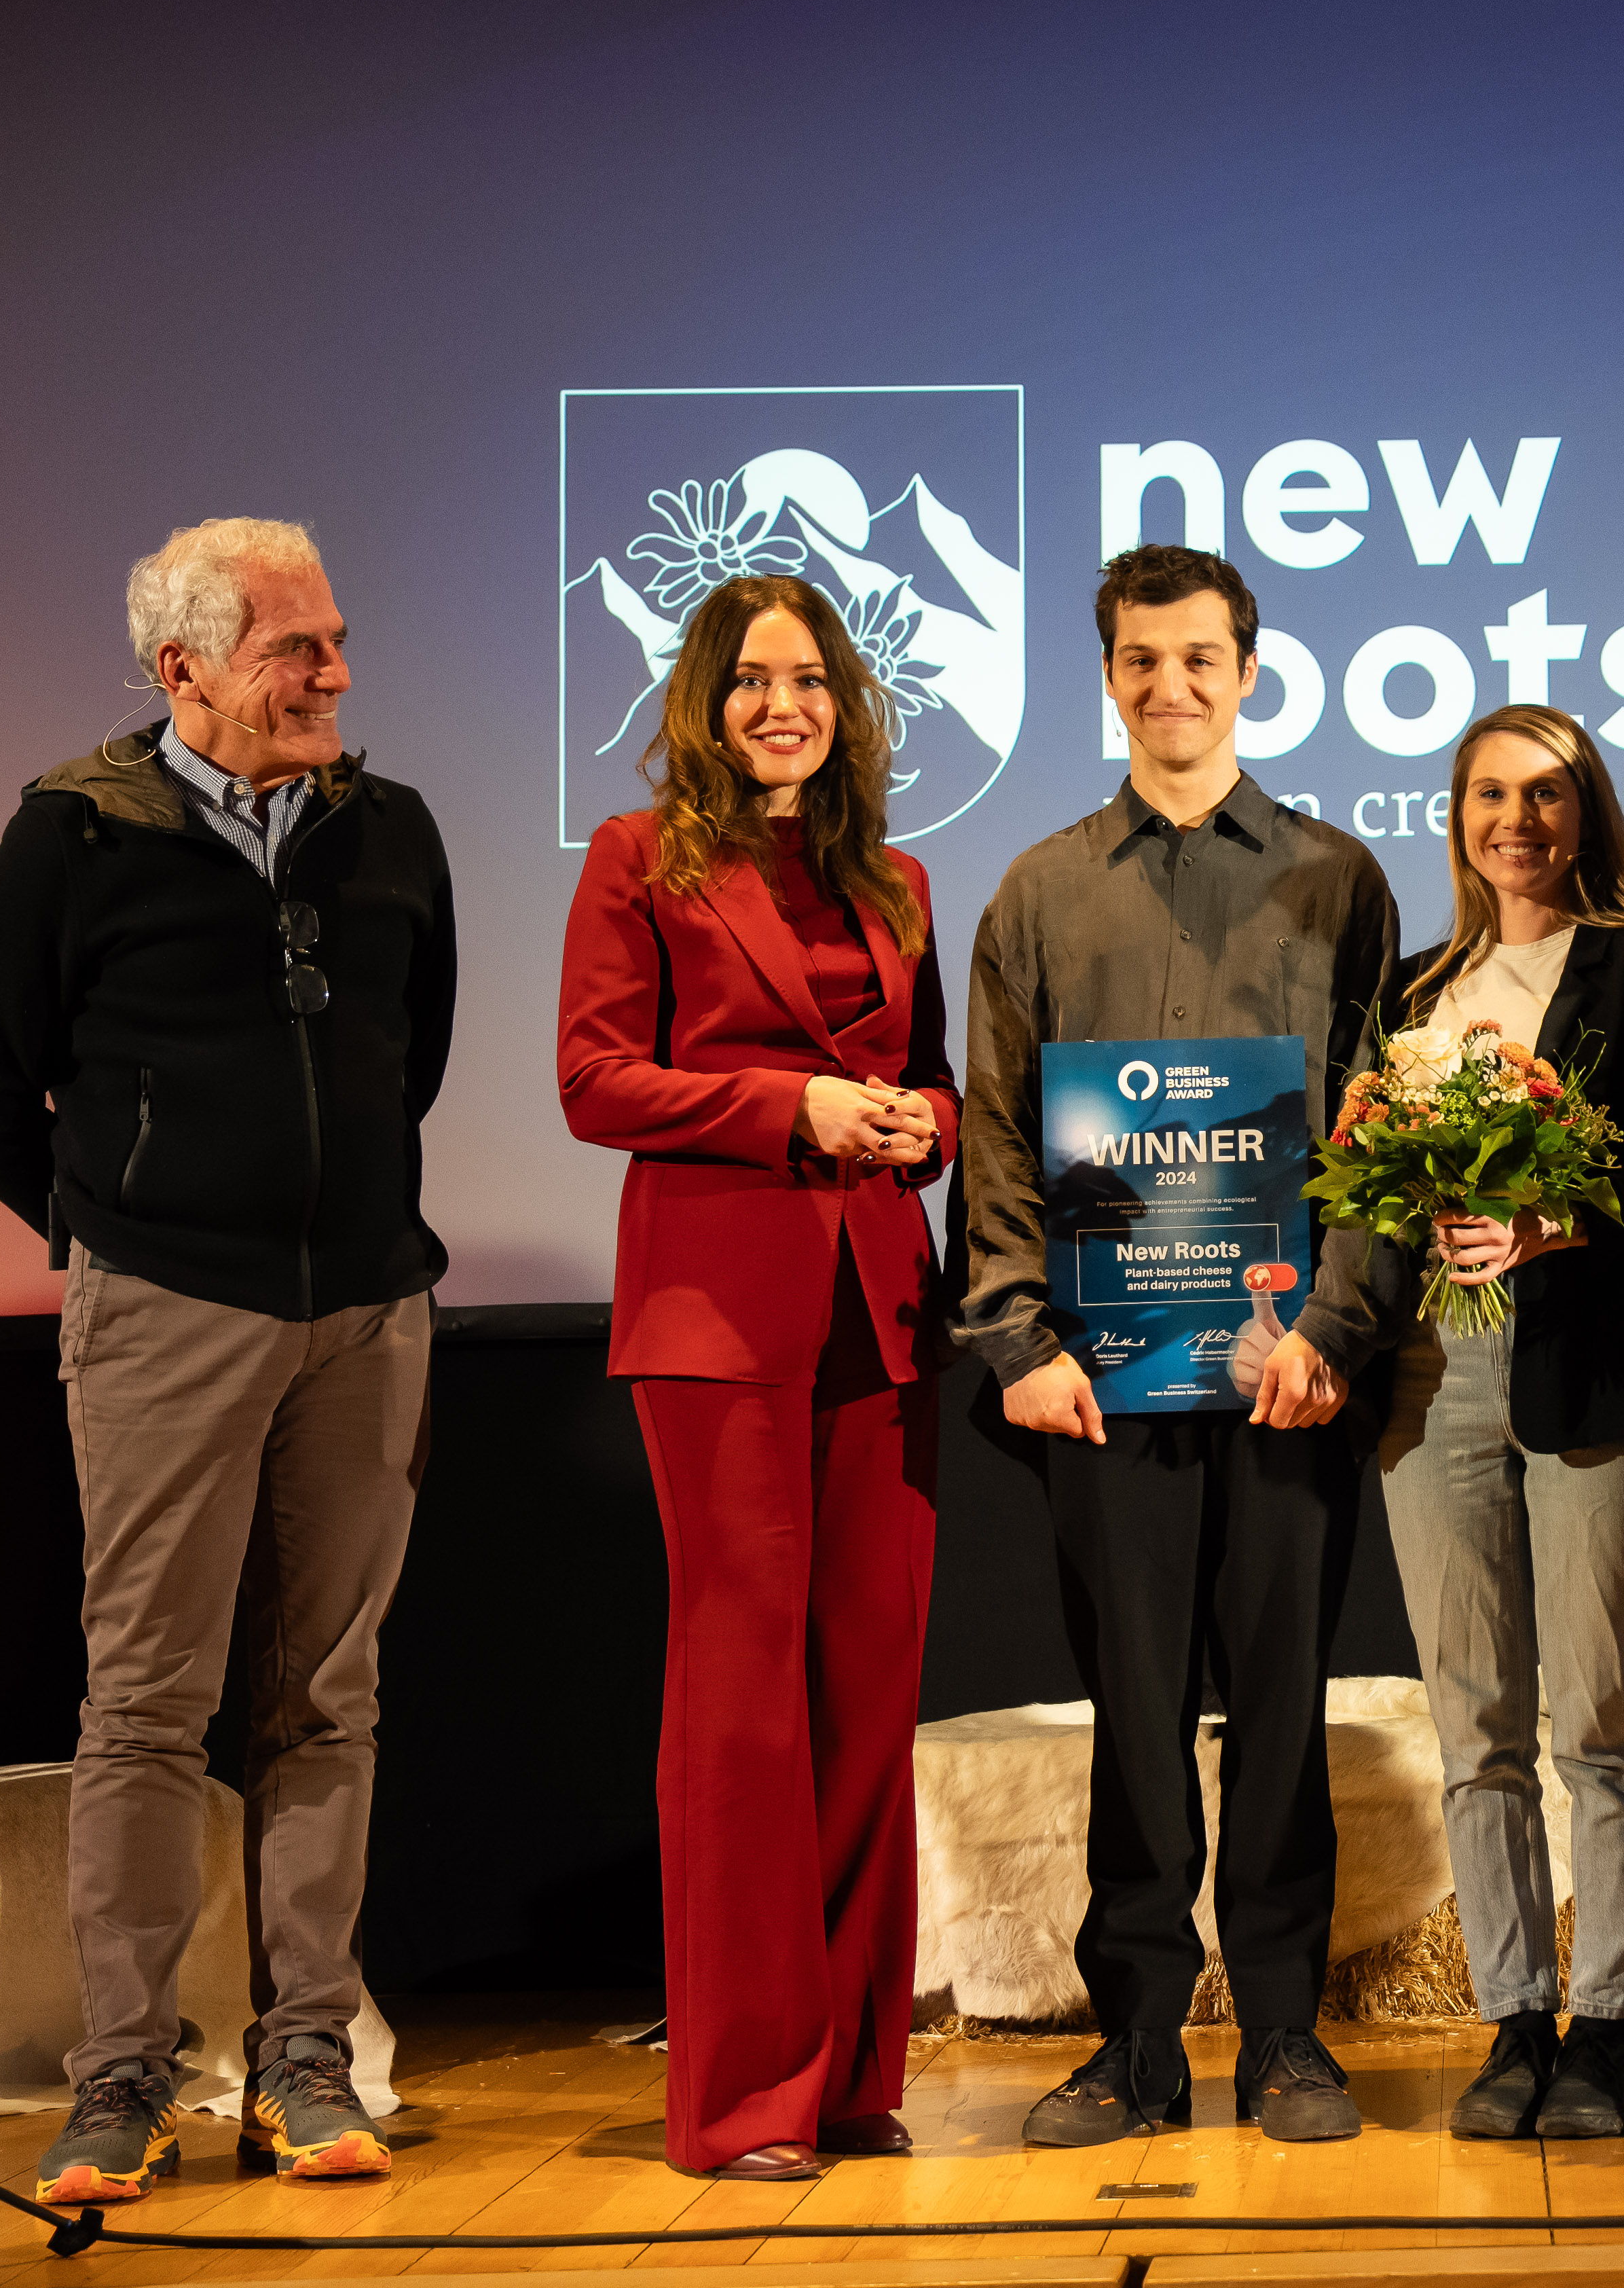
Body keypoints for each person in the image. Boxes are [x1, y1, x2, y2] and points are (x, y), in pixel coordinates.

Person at [0, 518, 453, 2202]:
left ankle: (304, 2063)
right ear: (185, 670)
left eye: (334, 640)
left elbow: (409, 1058)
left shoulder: (393, 833)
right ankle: (123, 2080)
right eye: (298, 649)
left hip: (364, 1313)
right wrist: (118, 1238)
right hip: (164, 1311)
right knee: (150, 1708)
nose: (335, 675)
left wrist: (336, 1229)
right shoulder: (71, 838)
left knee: (330, 1699)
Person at [954, 543, 1398, 2147]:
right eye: (1141, 661)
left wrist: (1337, 1326)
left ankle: (1283, 2032)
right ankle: (1138, 2039)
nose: (1172, 687)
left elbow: (1379, 1123)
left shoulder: (1341, 881)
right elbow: (997, 1138)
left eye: (1201, 659)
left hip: (1287, 1379)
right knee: (1133, 1712)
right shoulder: (1039, 889)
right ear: (1108, 677)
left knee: (1280, 1707)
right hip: (1100, 1380)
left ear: (1250, 672)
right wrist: (1015, 1341)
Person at [557, 575, 959, 2180]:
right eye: (748, 680)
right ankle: (741, 2102)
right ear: (703, 703)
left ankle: (855, 2076)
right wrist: (792, 1110)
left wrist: (931, 1120)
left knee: (866, 1700)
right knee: (739, 1711)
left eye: (806, 678)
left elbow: (917, 1071)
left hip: (884, 1311)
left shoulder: (900, 878)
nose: (779, 704)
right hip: (717, 1321)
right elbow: (594, 1079)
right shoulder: (635, 859)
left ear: (845, 702)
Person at [1358, 706, 1624, 2140]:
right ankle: (1512, 2024)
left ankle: (1608, 2032)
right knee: (1474, 1724)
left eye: (1550, 794)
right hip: (1434, 1381)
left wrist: (1550, 1217)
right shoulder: (1417, 986)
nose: (1519, 819)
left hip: (1596, 1377)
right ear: (1457, 816)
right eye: (1492, 793)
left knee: (1606, 1727)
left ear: (1593, 813)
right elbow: (1366, 1181)